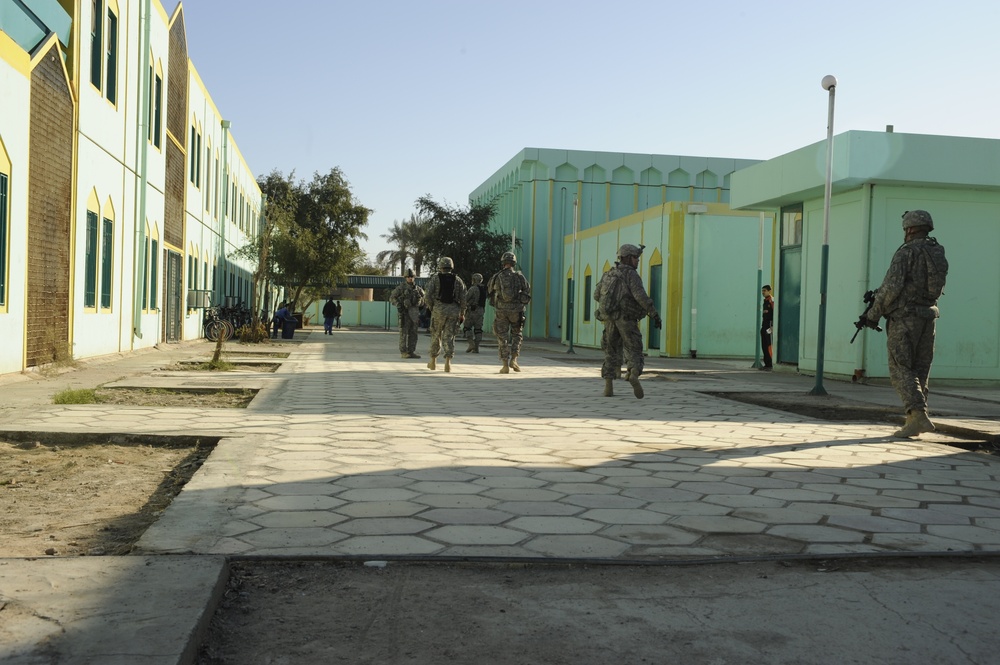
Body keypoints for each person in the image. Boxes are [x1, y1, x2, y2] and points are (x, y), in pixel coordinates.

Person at [865, 209, 948, 438]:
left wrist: (872, 314)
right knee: (921, 369)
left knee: (901, 367)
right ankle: (914, 420)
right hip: (928, 316)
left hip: (905, 318)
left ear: (909, 229)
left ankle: (918, 415)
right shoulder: (936, 250)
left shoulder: (906, 253)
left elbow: (891, 288)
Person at [593, 243, 661, 398]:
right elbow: (641, 297)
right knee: (634, 348)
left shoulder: (608, 274)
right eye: (636, 258)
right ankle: (634, 374)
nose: (637, 261)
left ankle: (608, 387)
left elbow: (596, 295)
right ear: (628, 258)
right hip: (627, 319)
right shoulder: (631, 275)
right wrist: (654, 313)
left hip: (610, 319)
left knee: (610, 351)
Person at [487, 252, 531, 374]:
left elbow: (490, 291)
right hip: (516, 310)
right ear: (514, 263)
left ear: (503, 263)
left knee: (502, 336)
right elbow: (527, 291)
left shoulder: (497, 276)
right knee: (517, 334)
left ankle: (505, 365)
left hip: (501, 310)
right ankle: (514, 359)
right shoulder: (519, 276)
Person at [423, 257, 467, 372]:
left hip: (439, 310)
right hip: (453, 310)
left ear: (440, 266)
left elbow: (427, 295)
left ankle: (433, 362)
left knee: (436, 335)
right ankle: (448, 362)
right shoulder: (458, 280)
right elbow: (463, 298)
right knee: (449, 336)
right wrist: (462, 313)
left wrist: (432, 307)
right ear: (451, 267)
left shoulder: (435, 278)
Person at [389, 269, 423, 358]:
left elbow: (425, 299)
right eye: (408, 277)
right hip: (404, 314)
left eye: (411, 277)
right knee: (403, 334)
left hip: (414, 314)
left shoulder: (418, 289)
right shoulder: (401, 288)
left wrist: (420, 302)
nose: (410, 278)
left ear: (414, 277)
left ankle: (411, 351)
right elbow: (392, 298)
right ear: (405, 278)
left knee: (413, 334)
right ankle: (403, 352)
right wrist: (398, 304)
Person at [463, 273, 487, 353]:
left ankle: (471, 343)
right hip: (481, 312)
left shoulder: (473, 288)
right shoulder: (484, 289)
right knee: (478, 330)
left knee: (467, 327)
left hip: (471, 311)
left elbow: (465, 299)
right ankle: (476, 347)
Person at [760, 285, 774, 370]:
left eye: (764, 291)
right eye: (762, 291)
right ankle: (767, 364)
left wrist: (772, 326)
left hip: (769, 325)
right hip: (764, 325)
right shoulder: (765, 301)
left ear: (769, 291)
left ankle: (771, 363)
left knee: (769, 345)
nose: (763, 292)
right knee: (764, 345)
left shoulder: (771, 301)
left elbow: (775, 313)